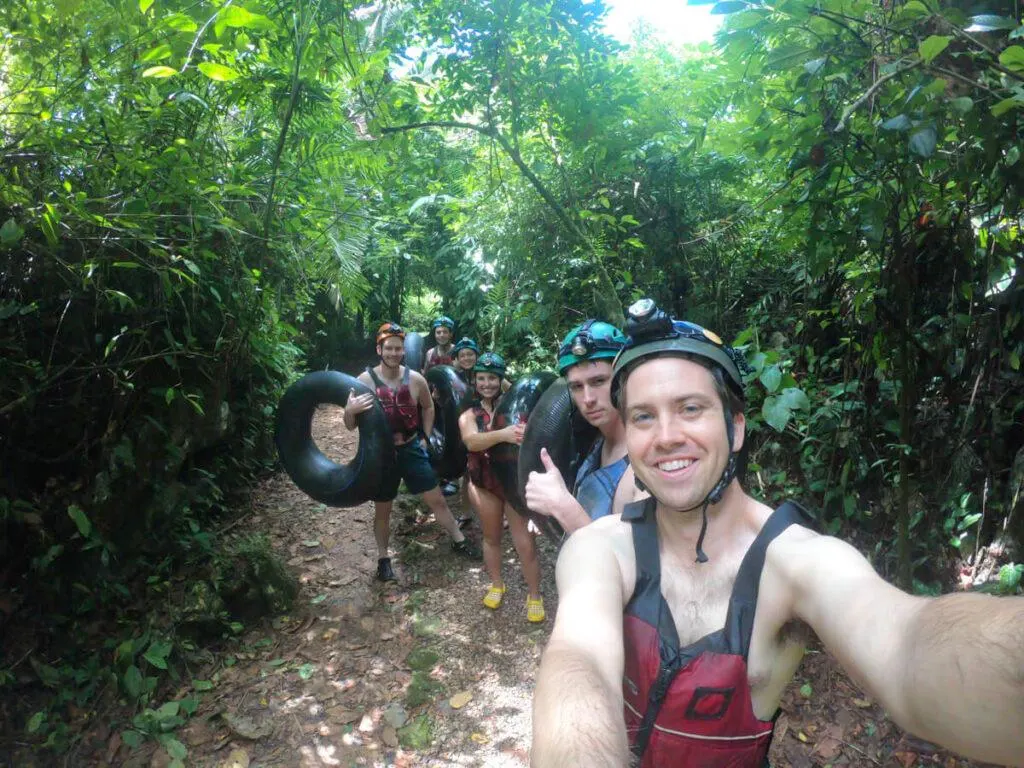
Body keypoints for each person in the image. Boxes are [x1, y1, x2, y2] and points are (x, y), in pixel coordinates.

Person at [532, 299, 1024, 768]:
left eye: (690, 408)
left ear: (737, 428)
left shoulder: (795, 561)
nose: (665, 437)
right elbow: (579, 662)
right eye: (643, 416)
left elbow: (907, 643)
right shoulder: (601, 546)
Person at [344, 322, 480, 582]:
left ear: (404, 351)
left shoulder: (416, 379)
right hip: (382, 456)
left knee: (437, 499)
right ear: (379, 350)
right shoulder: (363, 382)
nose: (394, 353)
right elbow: (350, 427)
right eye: (389, 349)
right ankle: (383, 558)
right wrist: (349, 411)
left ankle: (458, 540)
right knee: (383, 509)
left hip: (411, 448)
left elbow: (428, 407)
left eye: (398, 349)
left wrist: (426, 437)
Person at [524, 320, 639, 533]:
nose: (587, 399)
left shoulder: (646, 463)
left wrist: (563, 507)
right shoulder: (597, 440)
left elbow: (631, 562)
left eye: (599, 381)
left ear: (624, 378)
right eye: (577, 387)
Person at [458, 352, 545, 622]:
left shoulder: (515, 404)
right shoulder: (469, 414)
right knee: (491, 537)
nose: (487, 384)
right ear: (474, 381)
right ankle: (497, 584)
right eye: (481, 378)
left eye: (493, 378)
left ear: (501, 378)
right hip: (484, 482)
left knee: (525, 542)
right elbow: (471, 442)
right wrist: (504, 435)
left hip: (513, 481)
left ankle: (534, 594)